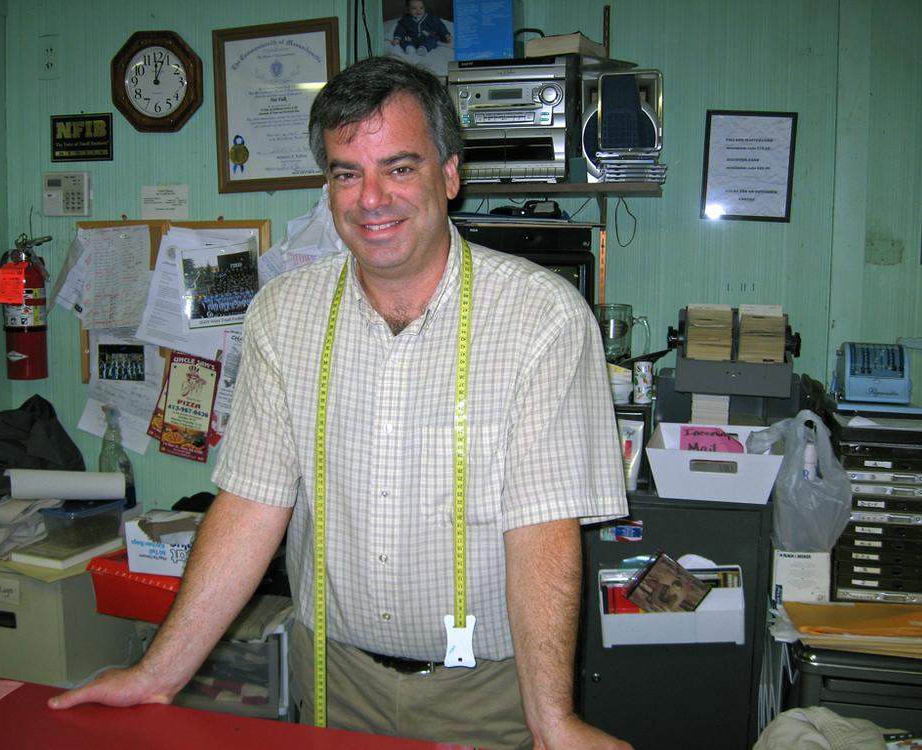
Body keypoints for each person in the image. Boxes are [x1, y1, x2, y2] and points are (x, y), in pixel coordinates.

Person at [49, 55, 632, 750]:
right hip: (331, 678)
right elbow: (251, 504)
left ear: (450, 174)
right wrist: (156, 674)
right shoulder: (282, 314)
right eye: (346, 174)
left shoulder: (543, 319)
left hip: (485, 691)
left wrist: (553, 720)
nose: (371, 198)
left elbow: (542, 531)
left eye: (400, 167)